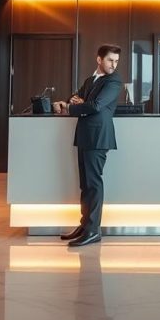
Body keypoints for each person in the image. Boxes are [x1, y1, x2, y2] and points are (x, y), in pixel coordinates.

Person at [53, 44, 123, 247]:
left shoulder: (114, 80)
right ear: (99, 59)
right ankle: (85, 226)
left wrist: (75, 105)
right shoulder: (90, 80)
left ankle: (93, 230)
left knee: (93, 184)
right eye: (110, 60)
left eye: (116, 61)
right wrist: (72, 102)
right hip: (84, 135)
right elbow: (74, 98)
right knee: (85, 184)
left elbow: (96, 105)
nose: (114, 64)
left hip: (98, 137)